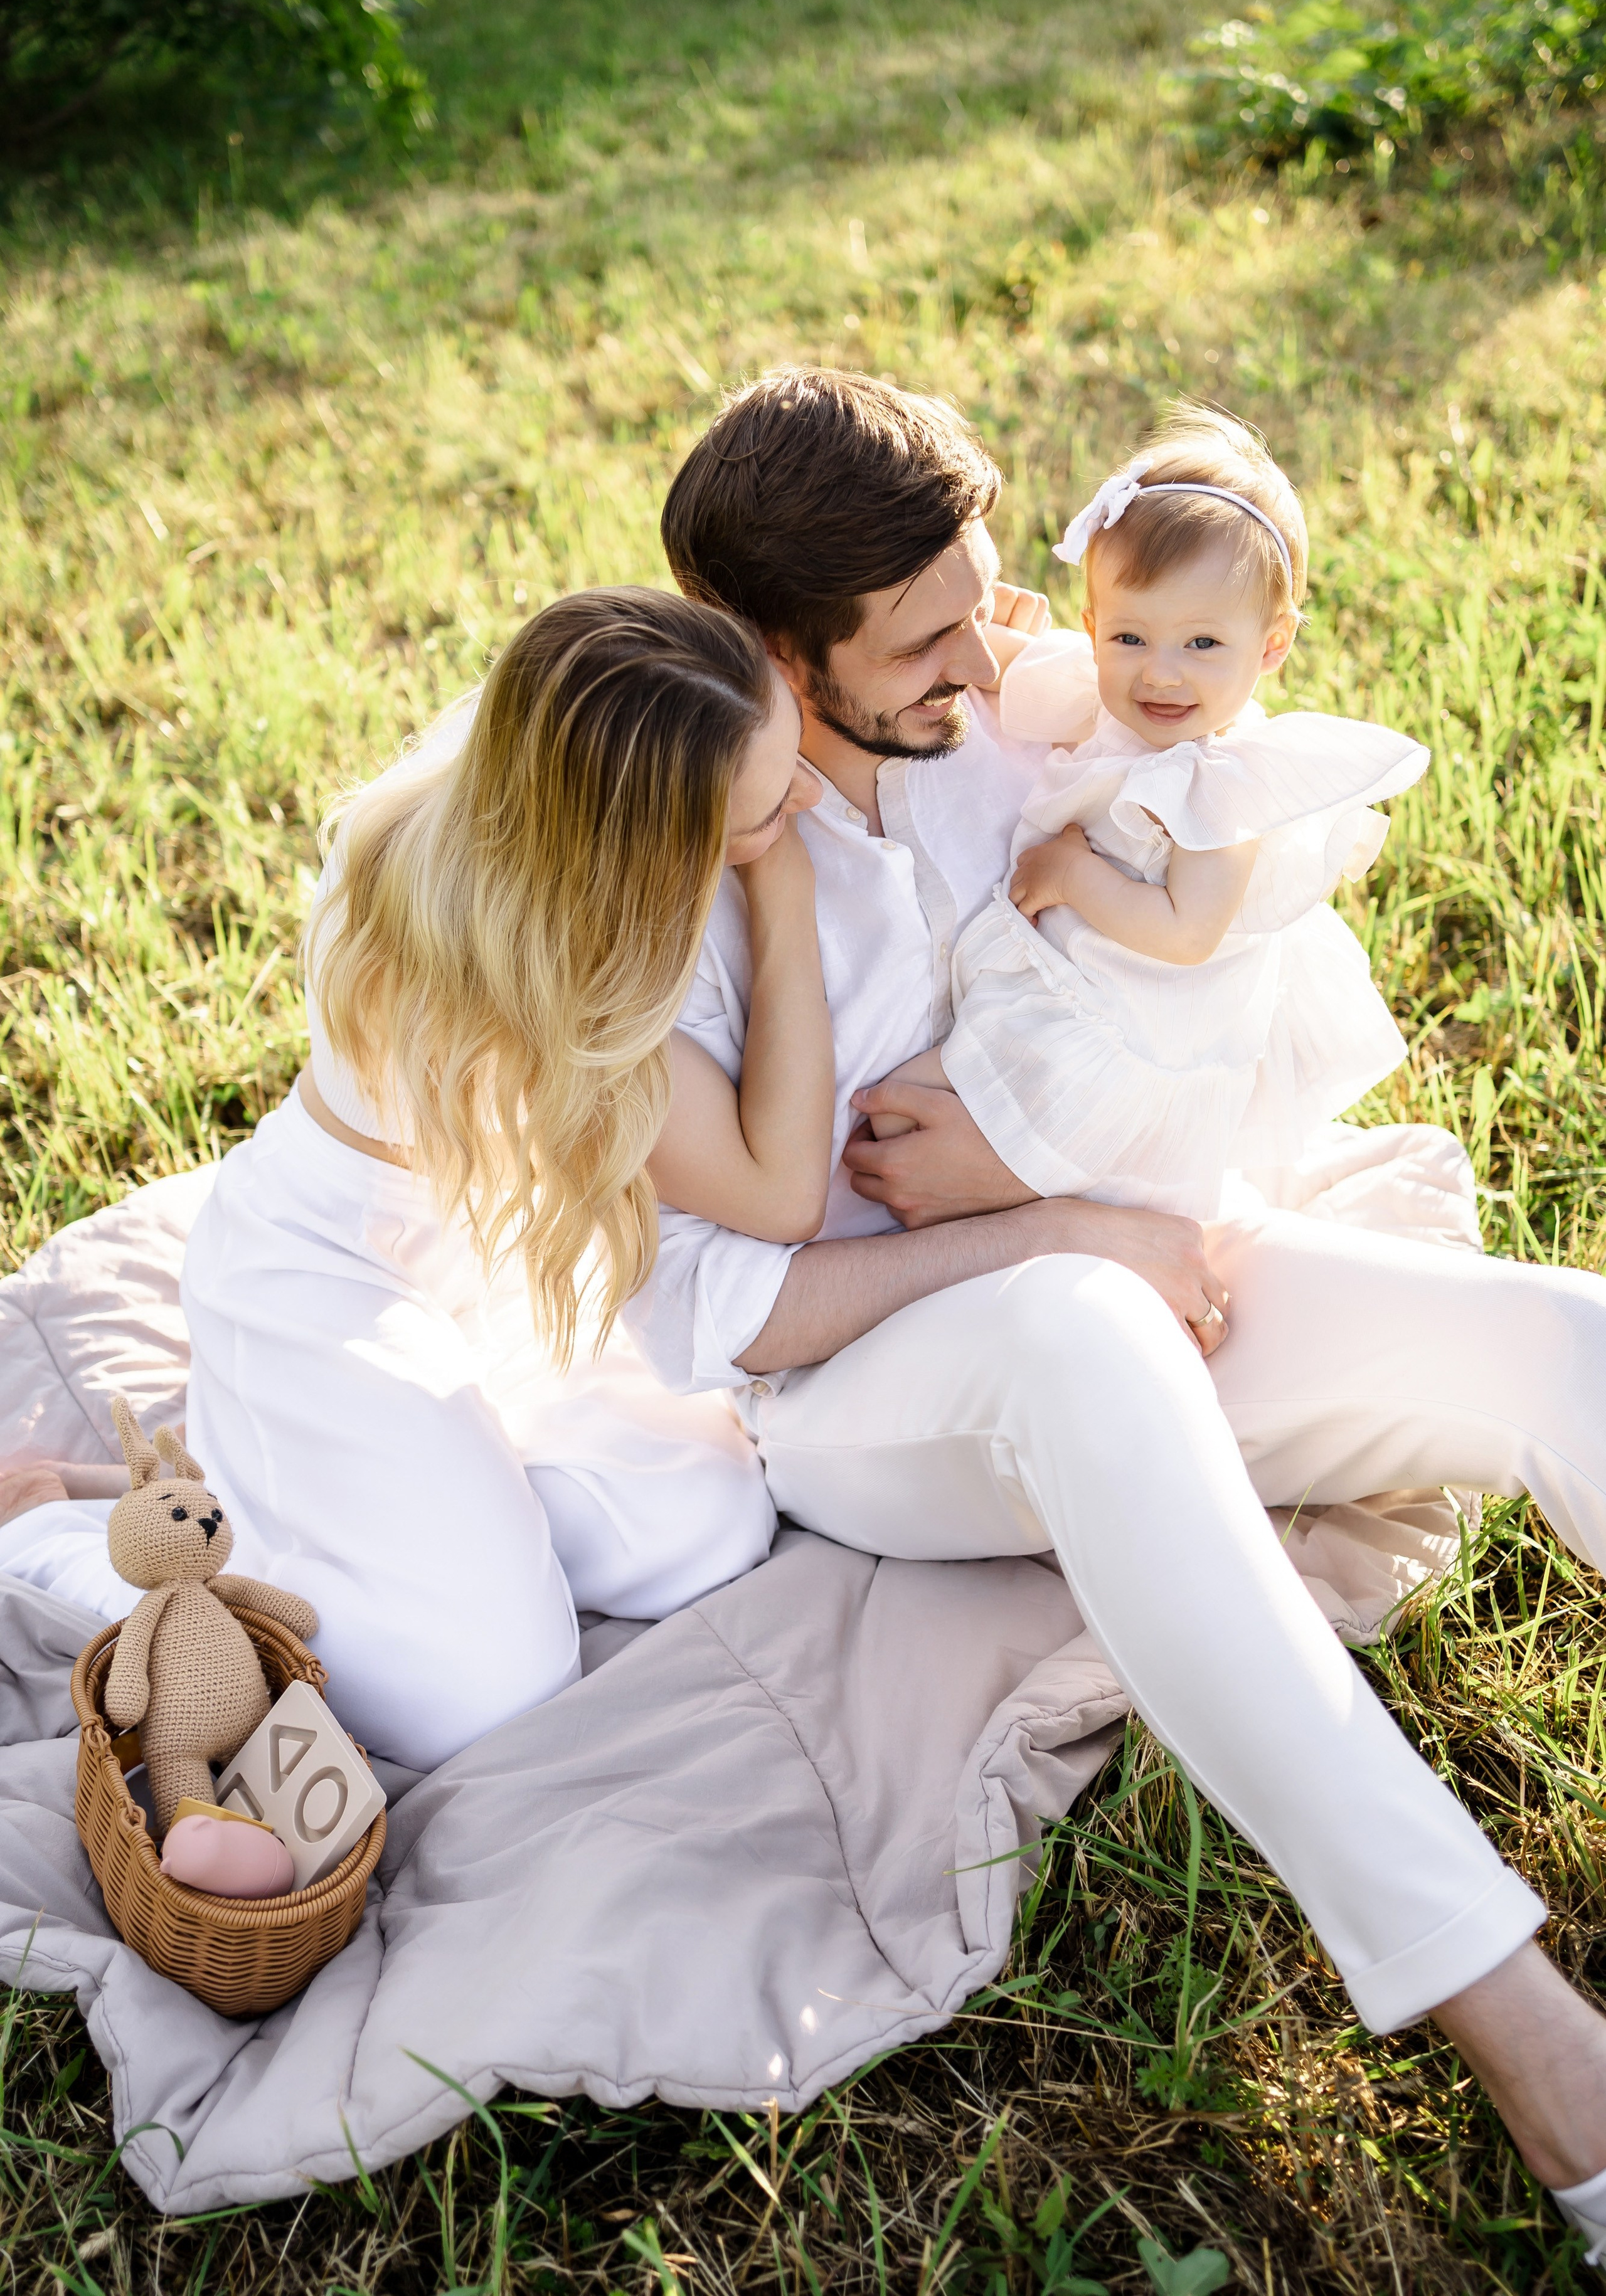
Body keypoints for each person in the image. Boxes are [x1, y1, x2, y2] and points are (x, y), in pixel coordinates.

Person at [637, 366, 1606, 2253]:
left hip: (1138, 1277)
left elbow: (1232, 906)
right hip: (869, 1398)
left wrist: (1083, 1187)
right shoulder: (670, 875)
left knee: (1563, 1332)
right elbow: (731, 1317)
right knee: (1083, 1319)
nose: (988, 659)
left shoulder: (1011, 721)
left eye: (996, 602)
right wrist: (1051, 1217)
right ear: (776, 649)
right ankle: (1537, 2046)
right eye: (930, 637)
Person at [0, 588, 838, 1776]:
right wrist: (789, 897)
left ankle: (270, 1482)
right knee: (483, 1693)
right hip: (326, 1269)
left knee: (701, 1527)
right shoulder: (494, 936)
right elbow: (778, 1192)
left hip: (488, 1247)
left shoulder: (551, 774)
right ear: (645, 842)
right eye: (764, 814)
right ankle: (58, 1524)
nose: (801, 809)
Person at [873, 404, 1430, 1224]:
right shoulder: (1105, 687)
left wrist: (1073, 875)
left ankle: (1053, 1229)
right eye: (1131, 638)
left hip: (1129, 1034)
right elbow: (1011, 669)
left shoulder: (1225, 782)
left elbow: (1187, 930)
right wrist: (959, 622)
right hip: (1062, 979)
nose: (1161, 676)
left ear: (1271, 646)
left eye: (1203, 645)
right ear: (1095, 628)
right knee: (897, 1113)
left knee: (938, 1135)